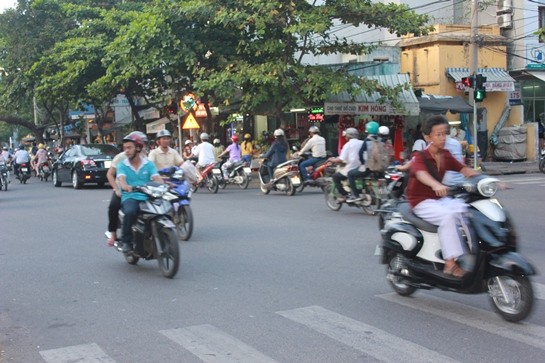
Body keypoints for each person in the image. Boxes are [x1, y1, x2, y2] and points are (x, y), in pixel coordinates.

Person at [405, 115, 479, 277]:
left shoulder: (445, 154)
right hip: (421, 202)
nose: (442, 137)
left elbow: (463, 169)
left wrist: (487, 180)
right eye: (438, 134)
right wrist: (435, 184)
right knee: (448, 217)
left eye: (444, 133)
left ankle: (472, 253)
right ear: (428, 137)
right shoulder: (420, 156)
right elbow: (421, 174)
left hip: (440, 200)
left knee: (466, 210)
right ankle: (450, 263)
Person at [116, 132, 163, 253]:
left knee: (163, 210)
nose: (126, 151)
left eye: (129, 148)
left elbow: (156, 177)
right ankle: (126, 241)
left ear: (138, 148)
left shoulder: (148, 164)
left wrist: (163, 185)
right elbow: (121, 179)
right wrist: (125, 186)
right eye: (125, 148)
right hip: (130, 196)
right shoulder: (122, 165)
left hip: (147, 196)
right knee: (130, 212)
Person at [345, 121, 381, 203]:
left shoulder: (367, 141)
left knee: (350, 174)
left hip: (369, 167)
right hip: (381, 168)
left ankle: (356, 195)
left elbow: (361, 154)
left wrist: (363, 163)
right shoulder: (382, 140)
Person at [328, 127, 364, 202]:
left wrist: (333, 160)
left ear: (348, 136)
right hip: (362, 167)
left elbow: (341, 159)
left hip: (352, 167)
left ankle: (345, 195)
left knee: (336, 177)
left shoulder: (348, 145)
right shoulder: (362, 142)